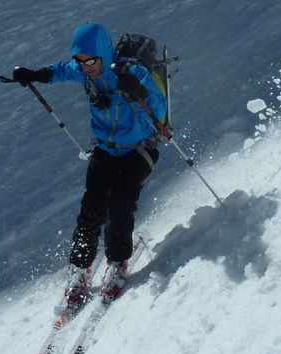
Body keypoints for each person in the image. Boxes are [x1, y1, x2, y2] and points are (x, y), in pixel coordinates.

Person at [12, 23, 167, 321]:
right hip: (107, 149)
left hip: (141, 148)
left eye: (90, 61)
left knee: (120, 202)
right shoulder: (84, 69)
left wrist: (139, 92)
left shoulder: (134, 73)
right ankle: (80, 269)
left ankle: (118, 261)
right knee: (92, 208)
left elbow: (159, 112)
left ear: (103, 55)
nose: (85, 68)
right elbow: (60, 70)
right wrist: (34, 74)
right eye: (81, 62)